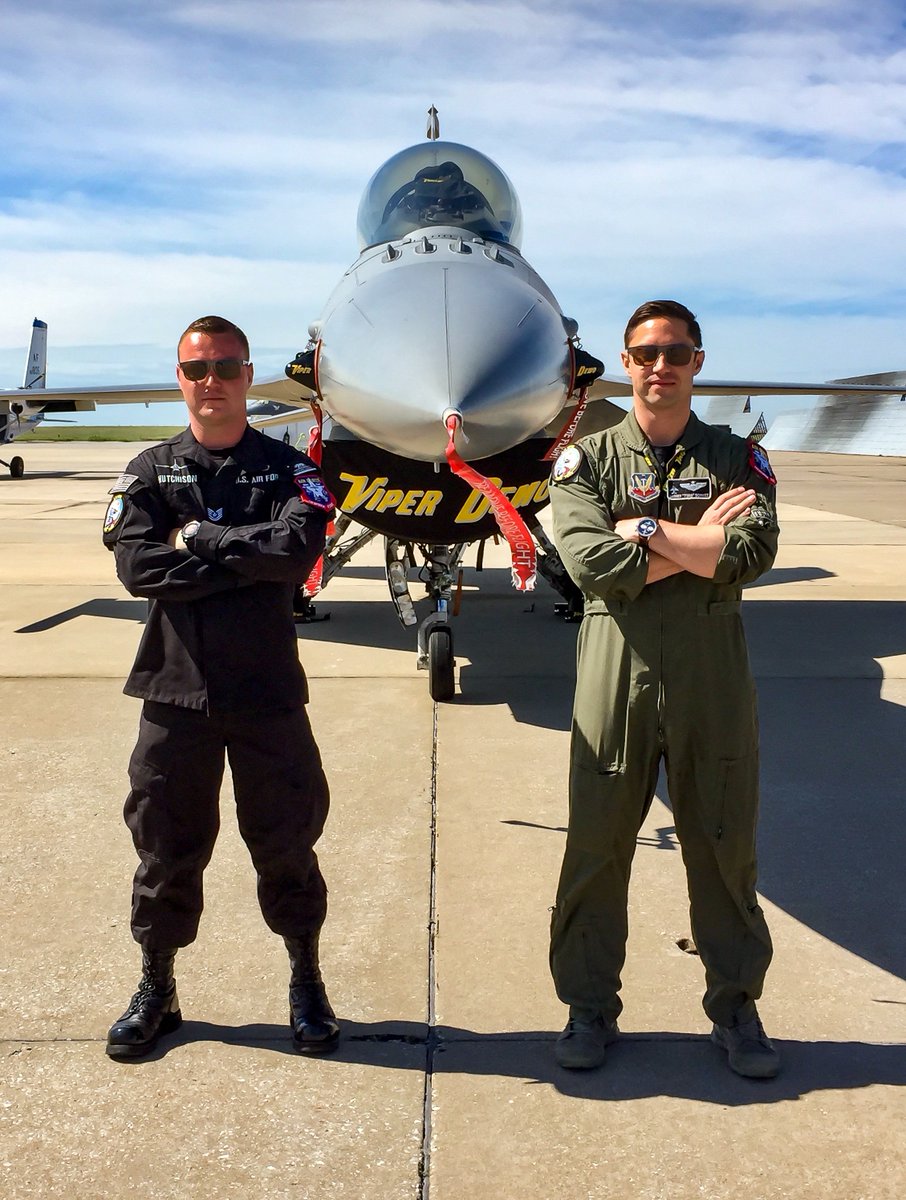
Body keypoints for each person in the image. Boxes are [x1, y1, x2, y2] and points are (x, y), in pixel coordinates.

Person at [548, 299, 780, 1079]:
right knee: (596, 845)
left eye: (676, 352)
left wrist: (643, 530)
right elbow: (587, 562)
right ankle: (587, 1006)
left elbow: (750, 552)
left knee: (723, 846)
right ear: (627, 361)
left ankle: (737, 1008)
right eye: (646, 353)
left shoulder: (736, 459)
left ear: (697, 362)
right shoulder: (588, 460)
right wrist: (697, 543)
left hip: (711, 676)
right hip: (617, 672)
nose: (661, 366)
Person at [102, 315, 339, 1060]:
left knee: (288, 844)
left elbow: (298, 550)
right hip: (175, 695)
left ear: (247, 374)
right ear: (180, 378)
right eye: (197, 369)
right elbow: (140, 568)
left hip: (267, 693)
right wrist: (246, 558)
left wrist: (200, 539)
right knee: (165, 848)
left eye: (227, 368)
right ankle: (158, 987)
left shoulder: (289, 466)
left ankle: (306, 981)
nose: (213, 382)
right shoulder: (150, 470)